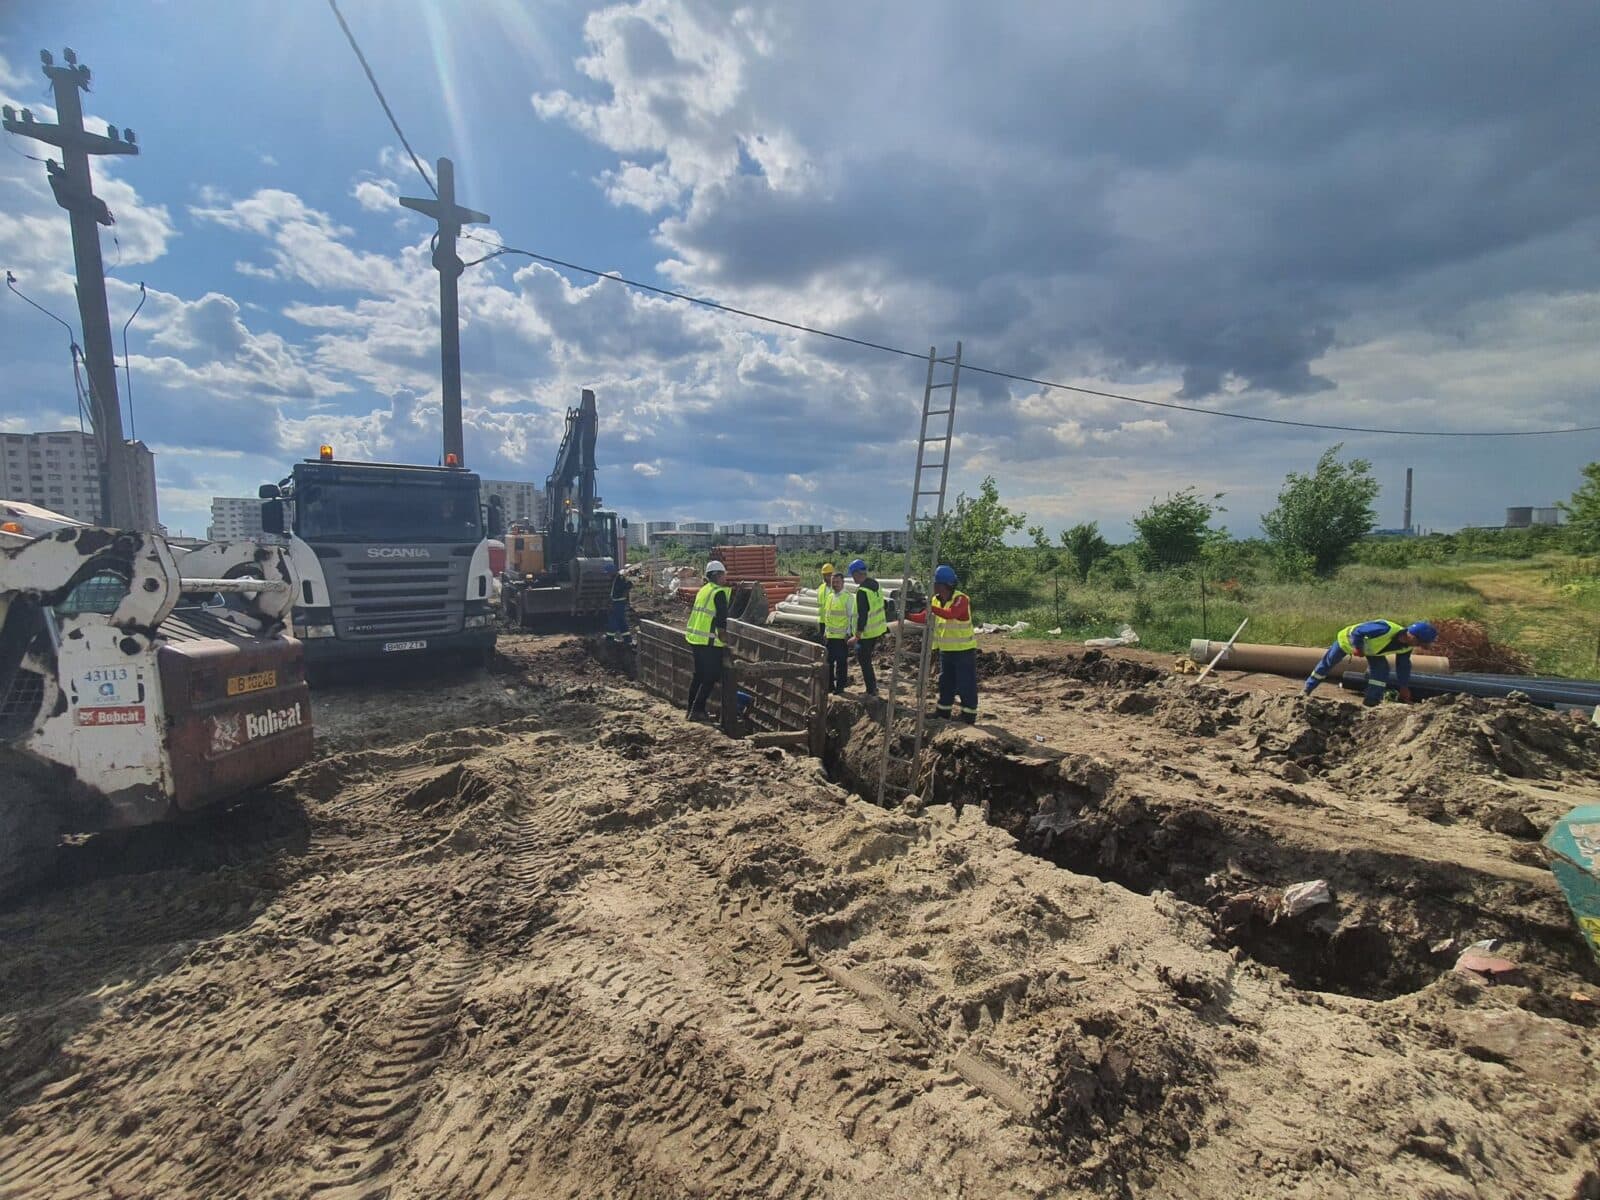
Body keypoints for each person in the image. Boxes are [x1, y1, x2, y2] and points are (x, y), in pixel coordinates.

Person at [1303, 619, 1438, 707]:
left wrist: (1403, 686)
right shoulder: (1385, 628)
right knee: (1328, 663)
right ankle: (1306, 690)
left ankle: (1371, 701)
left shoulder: (1407, 646)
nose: (1420, 646)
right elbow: (1357, 632)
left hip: (1371, 650)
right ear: (1412, 636)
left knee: (1382, 670)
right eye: (1420, 643)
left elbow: (1403, 666)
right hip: (1347, 641)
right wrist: (1357, 648)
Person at [909, 564, 978, 723]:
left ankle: (968, 715)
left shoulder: (961, 599)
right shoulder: (936, 600)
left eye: (934, 583)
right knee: (946, 683)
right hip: (946, 651)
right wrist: (907, 615)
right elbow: (925, 616)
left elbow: (951, 614)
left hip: (964, 651)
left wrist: (931, 608)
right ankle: (943, 712)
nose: (932, 586)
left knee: (965, 684)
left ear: (941, 585)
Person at [684, 560, 731, 722]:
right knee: (710, 676)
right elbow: (721, 623)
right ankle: (697, 710)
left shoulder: (704, 590)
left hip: (695, 639)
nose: (725, 578)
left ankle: (691, 709)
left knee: (699, 676)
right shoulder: (719, 593)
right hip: (709, 642)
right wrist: (725, 643)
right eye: (724, 575)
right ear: (718, 575)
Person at [847, 558, 888, 697]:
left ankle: (871, 690)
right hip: (877, 630)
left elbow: (863, 616)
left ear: (858, 573)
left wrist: (856, 636)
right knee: (867, 660)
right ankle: (872, 688)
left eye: (852, 575)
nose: (852, 578)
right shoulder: (875, 584)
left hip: (867, 633)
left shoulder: (862, 591)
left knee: (864, 660)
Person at [820, 568, 853, 694]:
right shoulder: (830, 597)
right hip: (830, 636)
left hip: (841, 637)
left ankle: (840, 687)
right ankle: (829, 686)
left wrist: (849, 633)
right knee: (828, 663)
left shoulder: (848, 597)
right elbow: (828, 616)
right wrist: (825, 632)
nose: (835, 584)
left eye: (837, 582)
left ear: (843, 583)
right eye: (833, 582)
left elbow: (851, 617)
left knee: (841, 664)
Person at [605, 563, 633, 644]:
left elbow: (629, 585)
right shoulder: (615, 578)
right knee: (621, 621)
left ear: (612, 571)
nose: (607, 574)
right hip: (616, 601)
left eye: (608, 572)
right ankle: (627, 639)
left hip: (619, 602)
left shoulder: (620, 578)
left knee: (613, 620)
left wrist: (623, 594)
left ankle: (609, 639)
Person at [816, 562, 836, 640]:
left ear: (832, 575)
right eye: (824, 575)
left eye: (828, 575)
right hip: (822, 621)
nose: (826, 577)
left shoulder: (837, 588)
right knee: (823, 642)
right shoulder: (821, 587)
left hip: (834, 622)